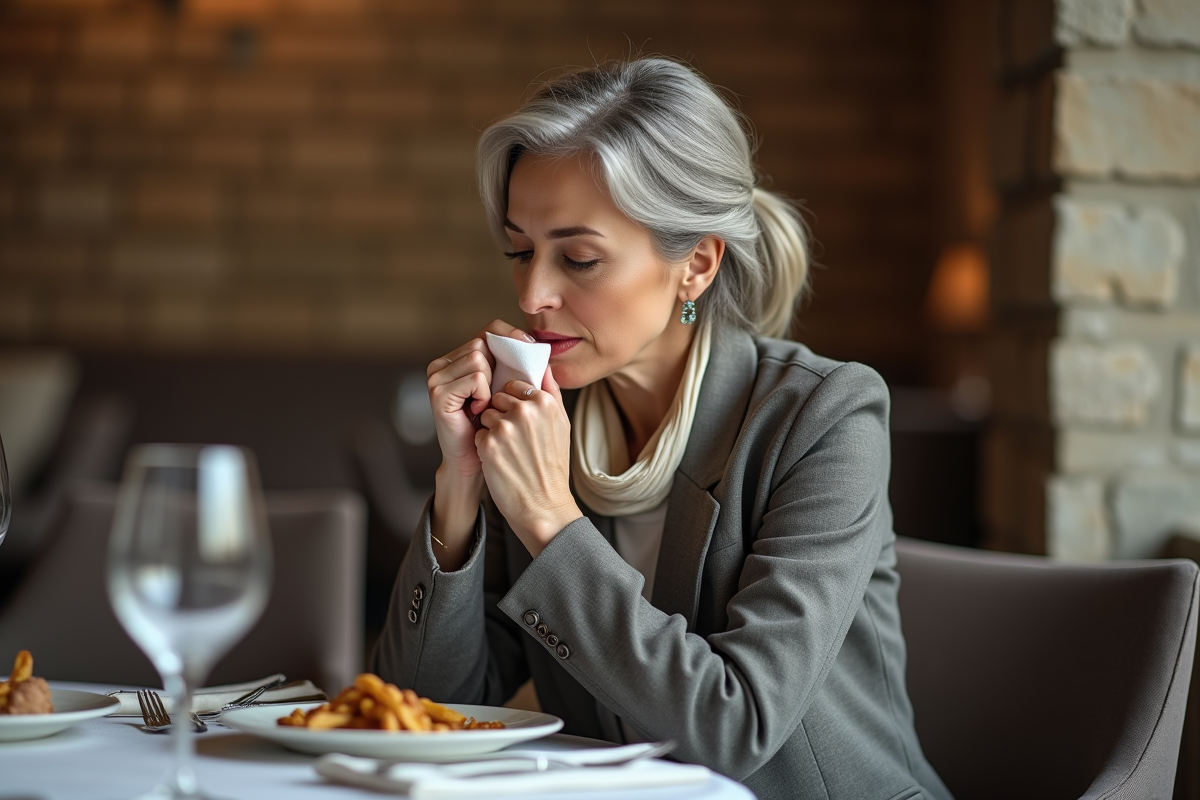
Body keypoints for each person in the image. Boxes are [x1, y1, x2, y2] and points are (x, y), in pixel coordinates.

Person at [372, 57, 953, 800]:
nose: (533, 292)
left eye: (579, 258)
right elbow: (420, 710)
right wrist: (459, 486)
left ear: (697, 265)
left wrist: (549, 519)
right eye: (519, 250)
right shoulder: (545, 422)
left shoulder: (823, 417)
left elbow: (733, 727)